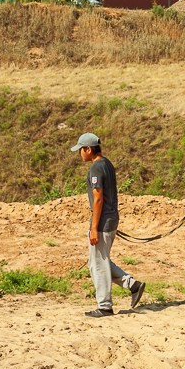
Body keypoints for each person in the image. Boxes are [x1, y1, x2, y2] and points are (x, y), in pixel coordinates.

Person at [72, 132, 145, 317]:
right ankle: (132, 285)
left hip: (103, 221)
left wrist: (94, 227)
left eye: (81, 150)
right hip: (111, 218)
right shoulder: (107, 164)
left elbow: (98, 199)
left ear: (88, 149)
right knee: (99, 259)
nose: (80, 153)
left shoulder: (96, 168)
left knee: (98, 264)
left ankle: (104, 306)